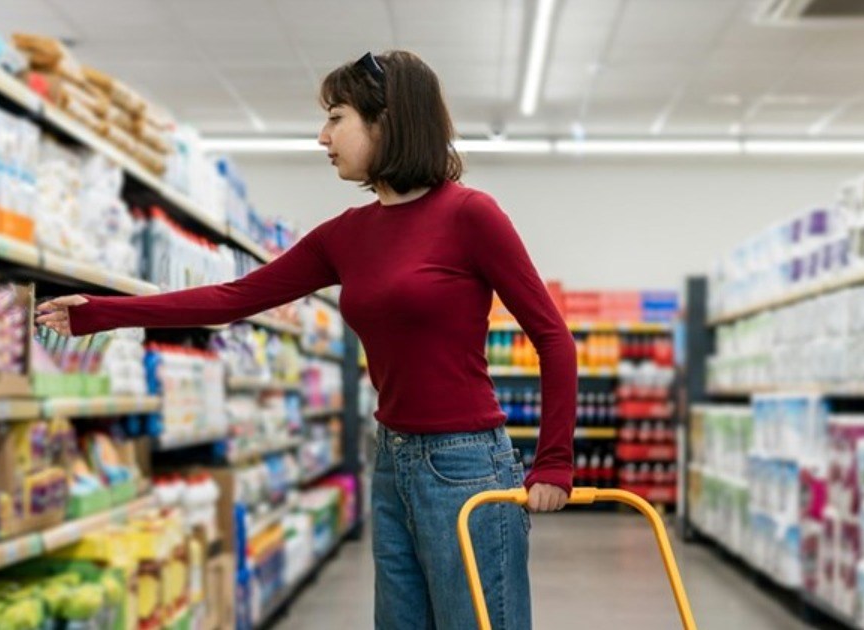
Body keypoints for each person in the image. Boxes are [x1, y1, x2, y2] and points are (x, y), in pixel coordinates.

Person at [36, 50, 576, 630]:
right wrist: (101, 313)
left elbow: (553, 337)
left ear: (386, 120)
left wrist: (553, 463)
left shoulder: (471, 215)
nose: (323, 136)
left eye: (336, 117)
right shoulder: (345, 236)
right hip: (391, 460)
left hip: (466, 464)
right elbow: (232, 299)